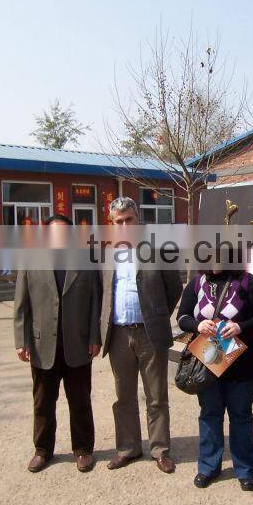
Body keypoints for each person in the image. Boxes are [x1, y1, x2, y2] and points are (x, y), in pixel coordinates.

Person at [13, 214, 103, 473]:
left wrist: (94, 337)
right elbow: (21, 304)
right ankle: (43, 450)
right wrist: (22, 340)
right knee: (42, 402)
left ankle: (84, 449)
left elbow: (95, 301)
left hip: (77, 345)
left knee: (80, 402)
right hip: (43, 347)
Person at [100, 196, 183, 473]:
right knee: (123, 396)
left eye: (129, 219)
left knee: (156, 396)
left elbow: (174, 289)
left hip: (150, 334)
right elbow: (102, 294)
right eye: (118, 221)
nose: (125, 225)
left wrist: (157, 315)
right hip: (119, 335)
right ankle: (128, 448)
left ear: (138, 218)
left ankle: (160, 449)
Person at [177, 267, 253, 491]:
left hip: (243, 361)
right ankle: (208, 466)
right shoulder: (198, 282)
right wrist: (197, 325)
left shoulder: (247, 281)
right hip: (209, 360)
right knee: (210, 414)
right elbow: (182, 316)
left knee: (241, 416)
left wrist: (241, 326)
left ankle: (245, 469)